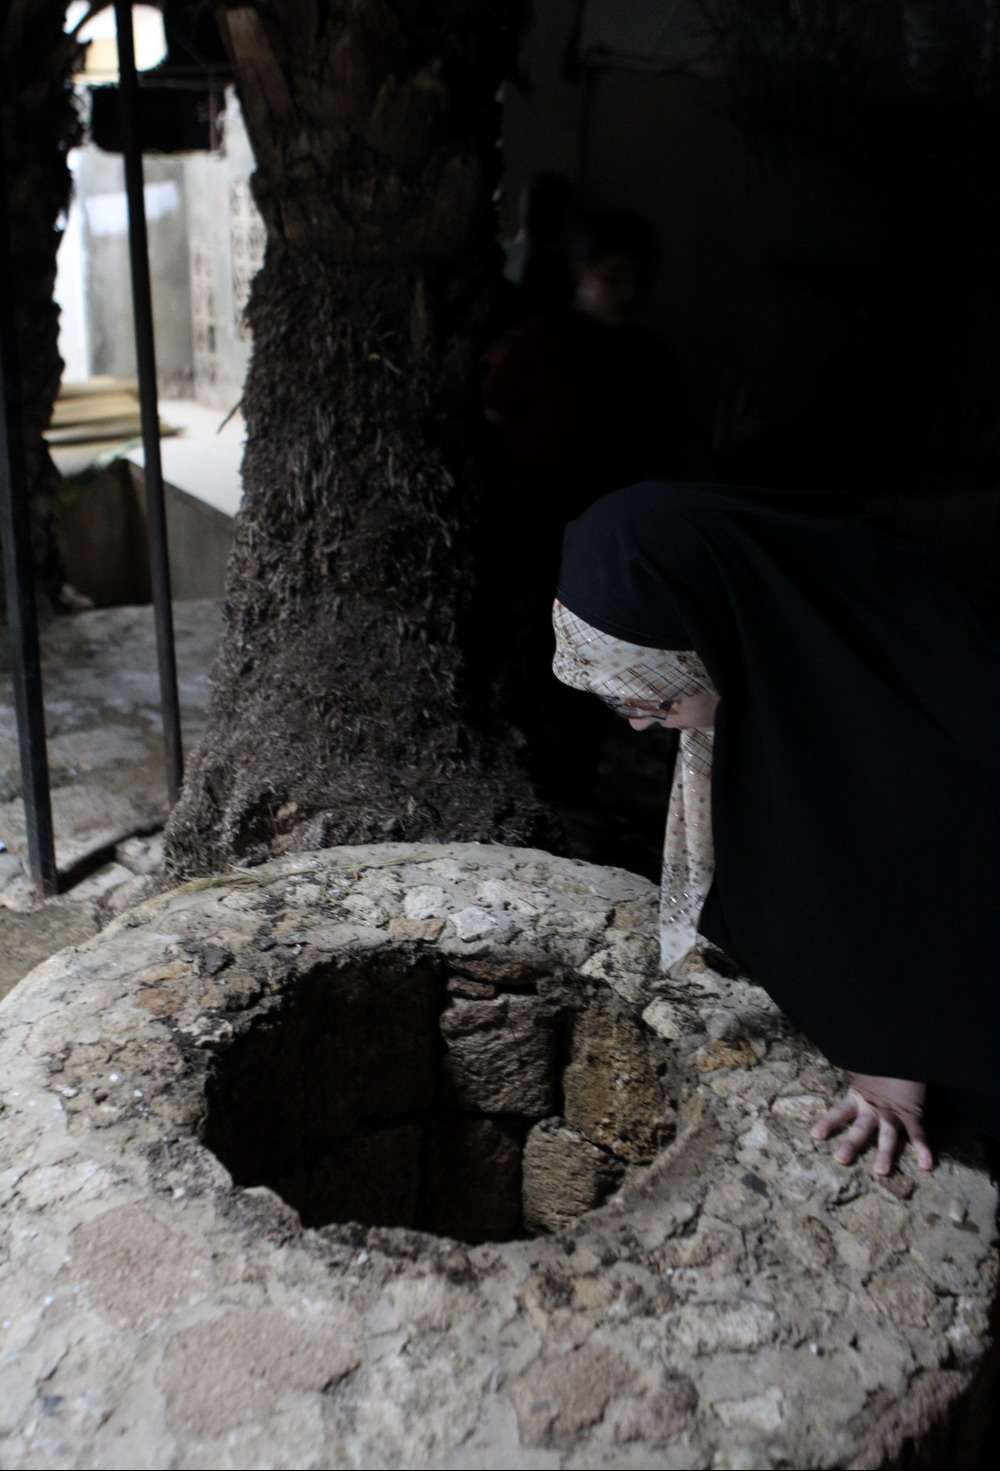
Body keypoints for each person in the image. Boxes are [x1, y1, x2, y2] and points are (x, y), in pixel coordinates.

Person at [552, 479, 1000, 1176]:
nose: (641, 724)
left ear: (715, 640)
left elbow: (933, 878)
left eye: (658, 700)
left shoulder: (898, 727)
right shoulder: (767, 652)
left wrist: (895, 1054)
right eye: (619, 705)